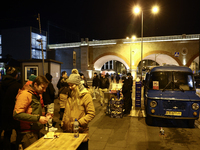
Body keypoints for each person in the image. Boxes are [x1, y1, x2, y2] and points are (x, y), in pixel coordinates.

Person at [13, 75, 53, 149]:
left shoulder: (35, 94)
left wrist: (44, 115)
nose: (44, 90)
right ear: (35, 84)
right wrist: (38, 118)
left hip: (35, 131)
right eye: (42, 87)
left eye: (45, 88)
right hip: (27, 133)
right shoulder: (25, 94)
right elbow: (17, 114)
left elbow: (32, 111)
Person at [61, 72, 95, 150]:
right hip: (68, 132)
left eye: (72, 85)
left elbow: (91, 113)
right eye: (69, 85)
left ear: (78, 85)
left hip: (80, 132)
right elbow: (66, 111)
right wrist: (63, 122)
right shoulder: (70, 95)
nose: (70, 87)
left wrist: (79, 123)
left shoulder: (86, 96)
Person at [0, 66, 22, 150]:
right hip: (14, 112)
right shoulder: (17, 86)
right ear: (15, 75)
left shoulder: (1, 85)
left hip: (2, 113)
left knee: (6, 133)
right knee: (18, 133)